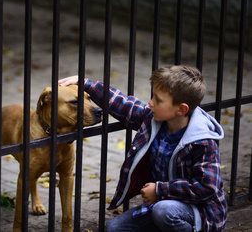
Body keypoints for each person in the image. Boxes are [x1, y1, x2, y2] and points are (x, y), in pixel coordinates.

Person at [59, 65, 227, 232]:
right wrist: (86, 84)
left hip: (200, 214)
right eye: (153, 96)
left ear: (181, 109)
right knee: (114, 228)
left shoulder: (202, 143)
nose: (151, 102)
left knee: (164, 212)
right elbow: (123, 104)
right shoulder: (153, 120)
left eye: (158, 100)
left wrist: (160, 190)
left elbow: (207, 188)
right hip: (163, 202)